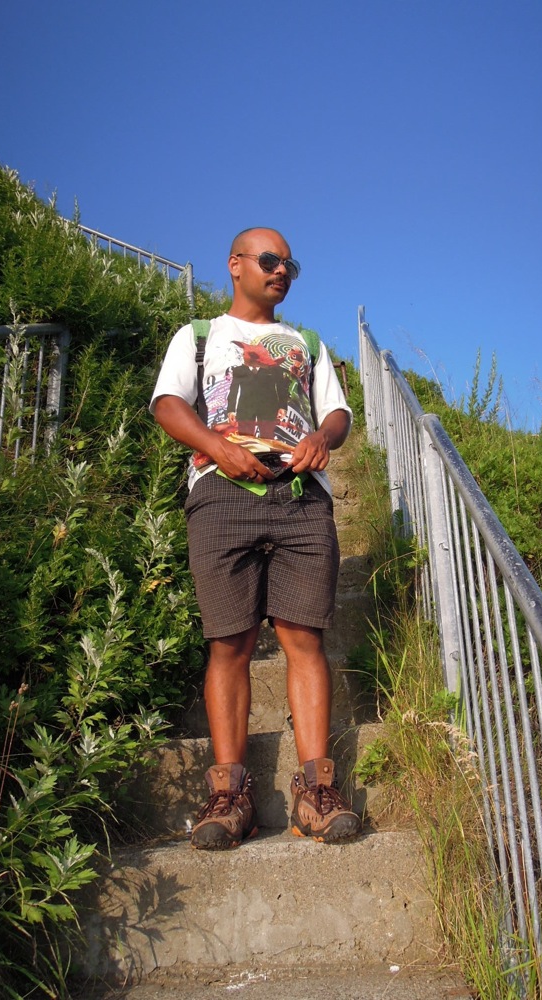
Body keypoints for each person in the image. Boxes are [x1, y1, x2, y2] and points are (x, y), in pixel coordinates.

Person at [151, 227, 361, 849]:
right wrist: (217, 447)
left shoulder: (307, 343)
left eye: (290, 264)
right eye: (270, 260)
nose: (281, 272)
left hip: (301, 499)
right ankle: (229, 795)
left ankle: (317, 792)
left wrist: (322, 437)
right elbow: (168, 404)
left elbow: (338, 413)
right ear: (235, 265)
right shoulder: (198, 336)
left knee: (304, 639)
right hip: (220, 495)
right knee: (229, 643)